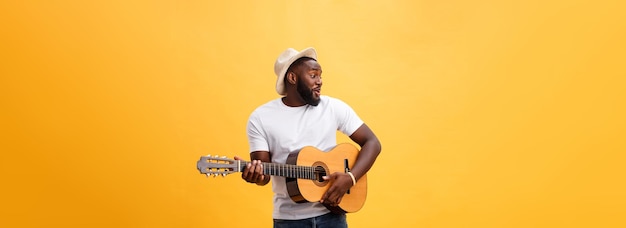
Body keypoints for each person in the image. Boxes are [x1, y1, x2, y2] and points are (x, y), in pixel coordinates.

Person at [235, 47, 381, 228]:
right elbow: (263, 174)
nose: (320, 82)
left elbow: (372, 143)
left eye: (320, 76)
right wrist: (255, 175)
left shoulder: (332, 107)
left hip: (332, 216)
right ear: (292, 78)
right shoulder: (261, 118)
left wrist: (351, 178)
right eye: (313, 75)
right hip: (288, 221)